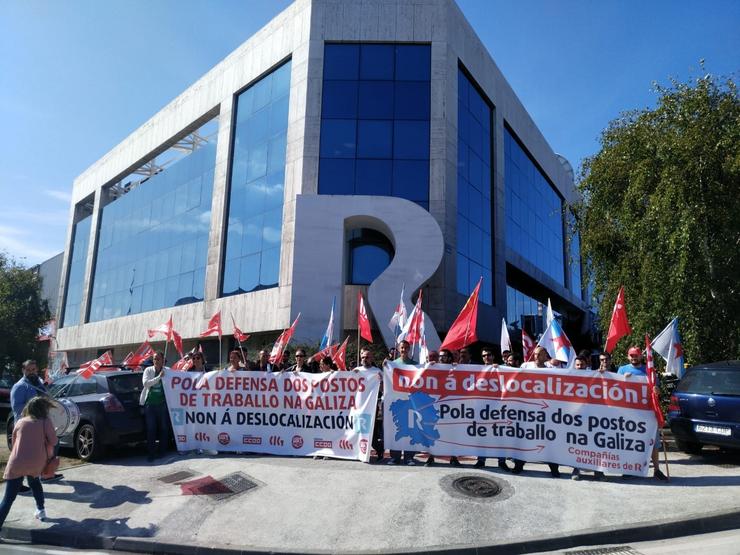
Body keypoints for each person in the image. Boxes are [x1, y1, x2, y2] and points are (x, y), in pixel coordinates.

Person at [0, 396, 57, 531]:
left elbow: (14, 444)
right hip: (37, 462)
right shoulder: (45, 421)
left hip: (17, 462)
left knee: (8, 499)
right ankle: (41, 510)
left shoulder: (20, 422)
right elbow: (54, 442)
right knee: (35, 482)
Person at [618, 346, 667, 481]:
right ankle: (628, 468)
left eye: (636, 355)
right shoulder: (622, 370)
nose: (634, 358)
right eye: (631, 355)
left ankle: (657, 470)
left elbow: (657, 391)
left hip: (648, 412)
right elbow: (614, 389)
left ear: (641, 356)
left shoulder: (649, 370)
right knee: (629, 442)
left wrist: (657, 390)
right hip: (629, 413)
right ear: (628, 356)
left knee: (653, 442)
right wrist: (622, 379)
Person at [10, 360, 63, 484]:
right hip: (27, 426)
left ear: (36, 370)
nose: (31, 372)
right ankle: (17, 483)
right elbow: (17, 408)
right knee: (23, 455)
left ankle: (45, 474)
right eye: (28, 370)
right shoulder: (20, 386)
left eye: (33, 370)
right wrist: (35, 408)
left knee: (51, 445)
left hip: (41, 423)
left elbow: (45, 398)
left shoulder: (38, 383)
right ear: (23, 371)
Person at [513, 347, 559, 477]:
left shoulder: (551, 371)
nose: (536, 356)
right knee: (525, 438)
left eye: (539, 355)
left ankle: (554, 468)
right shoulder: (526, 366)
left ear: (546, 356)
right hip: (528, 411)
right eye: (535, 354)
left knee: (547, 441)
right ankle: (519, 464)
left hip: (544, 412)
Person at [388, 341, 418, 465]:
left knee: (411, 429)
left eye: (406, 348)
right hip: (397, 403)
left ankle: (409, 457)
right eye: (402, 348)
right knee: (396, 428)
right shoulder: (393, 365)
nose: (404, 350)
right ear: (399, 349)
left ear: (409, 349)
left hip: (411, 403)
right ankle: (395, 457)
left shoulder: (416, 365)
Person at [354, 348, 384, 462]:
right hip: (358, 406)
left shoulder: (377, 371)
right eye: (363, 357)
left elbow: (383, 389)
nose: (364, 359)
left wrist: (380, 382)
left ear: (371, 358)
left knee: (371, 430)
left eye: (367, 357)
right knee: (358, 430)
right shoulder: (356, 370)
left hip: (371, 406)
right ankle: (359, 452)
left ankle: (379, 450)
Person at [140, 351, 170, 462]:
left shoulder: (167, 371)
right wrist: (159, 377)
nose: (156, 361)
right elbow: (146, 383)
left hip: (162, 404)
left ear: (163, 360)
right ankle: (151, 454)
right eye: (154, 359)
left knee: (163, 428)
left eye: (158, 359)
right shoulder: (148, 370)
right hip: (150, 405)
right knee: (151, 429)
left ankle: (162, 452)